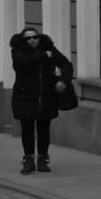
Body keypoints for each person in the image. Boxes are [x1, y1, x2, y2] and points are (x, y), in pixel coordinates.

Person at [8, 26, 71, 173]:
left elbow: (66, 64)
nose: (32, 40)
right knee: (27, 129)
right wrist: (44, 55)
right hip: (25, 97)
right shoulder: (17, 51)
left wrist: (64, 80)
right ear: (23, 40)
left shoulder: (50, 49)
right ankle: (28, 159)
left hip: (46, 96)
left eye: (35, 37)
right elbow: (22, 64)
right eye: (28, 38)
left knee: (44, 129)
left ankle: (43, 159)